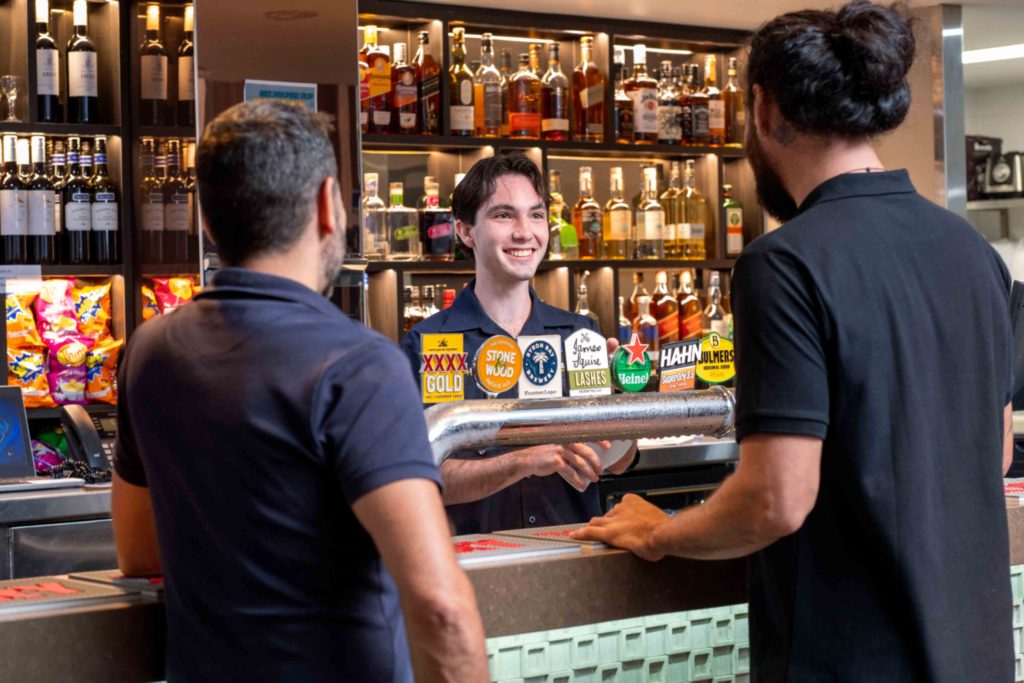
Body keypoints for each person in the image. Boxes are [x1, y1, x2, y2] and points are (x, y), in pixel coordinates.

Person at [576, 1, 1015, 680]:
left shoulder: (784, 262)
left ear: (761, 108)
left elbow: (775, 499)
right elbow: (997, 449)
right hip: (977, 658)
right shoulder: (974, 252)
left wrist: (657, 531)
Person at [110, 100, 487, 682]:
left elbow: (139, 553)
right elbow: (440, 608)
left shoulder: (150, 350)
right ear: (326, 205)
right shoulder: (361, 365)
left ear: (205, 221)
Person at [400, 154, 636, 534]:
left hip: (570, 558)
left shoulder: (579, 335)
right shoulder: (428, 343)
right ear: (465, 231)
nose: (525, 232)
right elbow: (420, 478)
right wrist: (525, 460)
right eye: (504, 215)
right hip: (473, 569)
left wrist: (622, 401)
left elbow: (618, 462)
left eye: (536, 215)